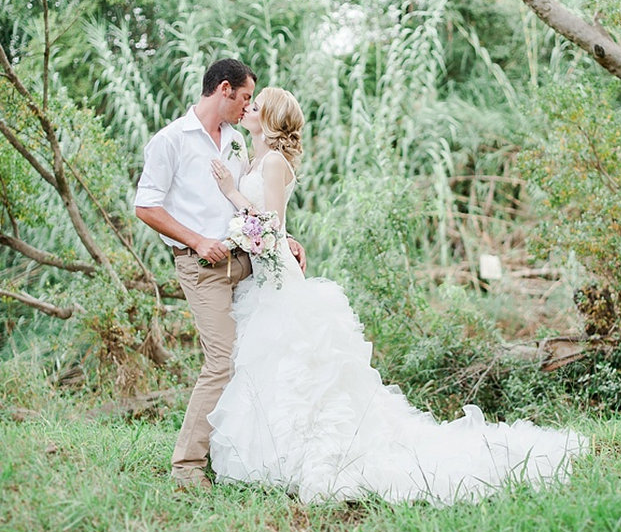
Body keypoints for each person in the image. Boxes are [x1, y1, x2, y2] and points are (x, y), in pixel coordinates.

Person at [207, 87, 589, 505]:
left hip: (277, 278)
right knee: (270, 365)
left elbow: (271, 225)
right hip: (261, 278)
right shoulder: (255, 157)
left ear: (270, 118)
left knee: (297, 365)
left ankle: (304, 453)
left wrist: (232, 193)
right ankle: (269, 452)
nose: (249, 109)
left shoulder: (276, 162)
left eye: (256, 106)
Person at [134, 59, 305, 491]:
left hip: (246, 261)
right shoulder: (170, 140)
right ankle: (187, 466)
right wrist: (195, 240)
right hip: (202, 266)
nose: (249, 107)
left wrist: (285, 239)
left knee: (259, 353)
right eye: (246, 98)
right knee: (221, 361)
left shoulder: (235, 141)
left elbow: (255, 206)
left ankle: (254, 451)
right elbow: (146, 207)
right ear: (225, 90)